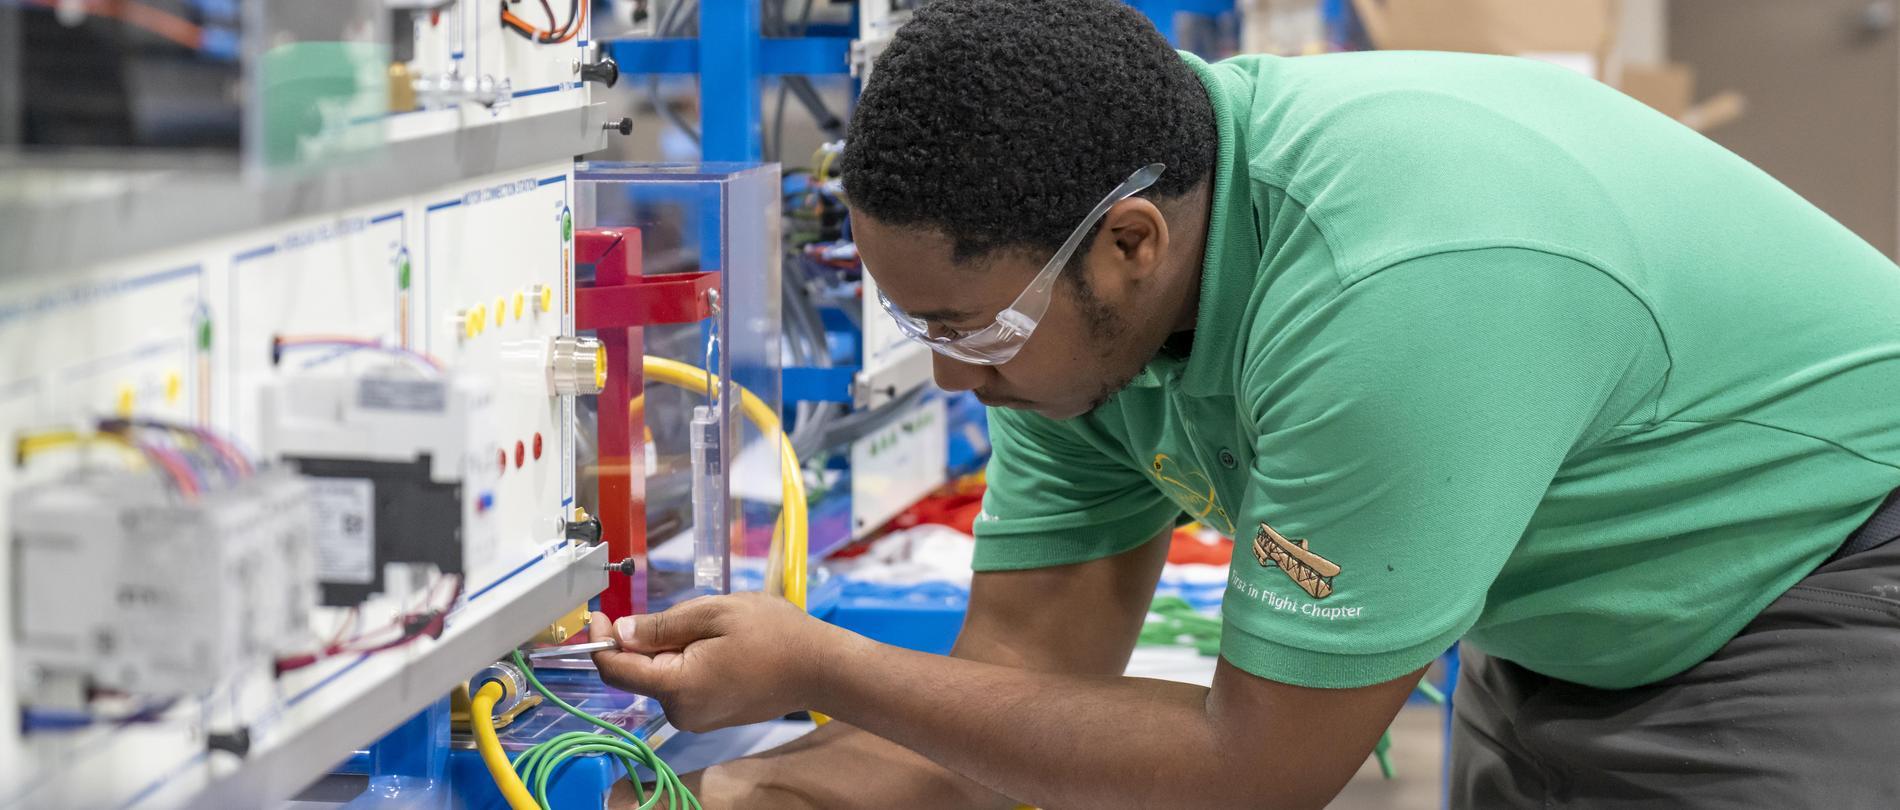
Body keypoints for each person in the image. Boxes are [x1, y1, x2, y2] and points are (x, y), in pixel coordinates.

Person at [589, 1, 1900, 806]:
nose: (950, 374)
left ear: (1132, 243)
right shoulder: (1073, 315)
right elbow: (1017, 688)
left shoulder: (1392, 287)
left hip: (1816, 576)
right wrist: (758, 789)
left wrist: (819, 661)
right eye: (916, 325)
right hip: (1571, 613)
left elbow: (1249, 773)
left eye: (967, 327)